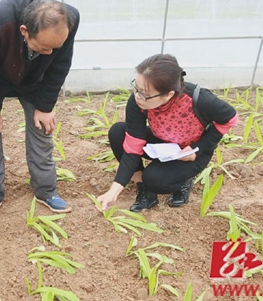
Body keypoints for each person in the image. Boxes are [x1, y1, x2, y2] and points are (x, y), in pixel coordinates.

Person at [0, 0, 80, 220]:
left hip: (35, 78)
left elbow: (60, 65)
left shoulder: (70, 19)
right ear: (24, 31)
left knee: (42, 130)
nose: (50, 52)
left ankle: (46, 191)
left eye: (54, 48)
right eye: (43, 47)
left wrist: (46, 106)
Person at [97, 54, 238, 212]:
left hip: (191, 151)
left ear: (169, 94)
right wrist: (113, 191)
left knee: (155, 179)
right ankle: (143, 188)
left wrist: (198, 148)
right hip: (163, 144)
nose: (137, 96)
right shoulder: (138, 102)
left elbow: (230, 119)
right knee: (118, 132)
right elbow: (132, 147)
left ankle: (184, 181)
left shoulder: (199, 99)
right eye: (136, 88)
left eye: (144, 93)